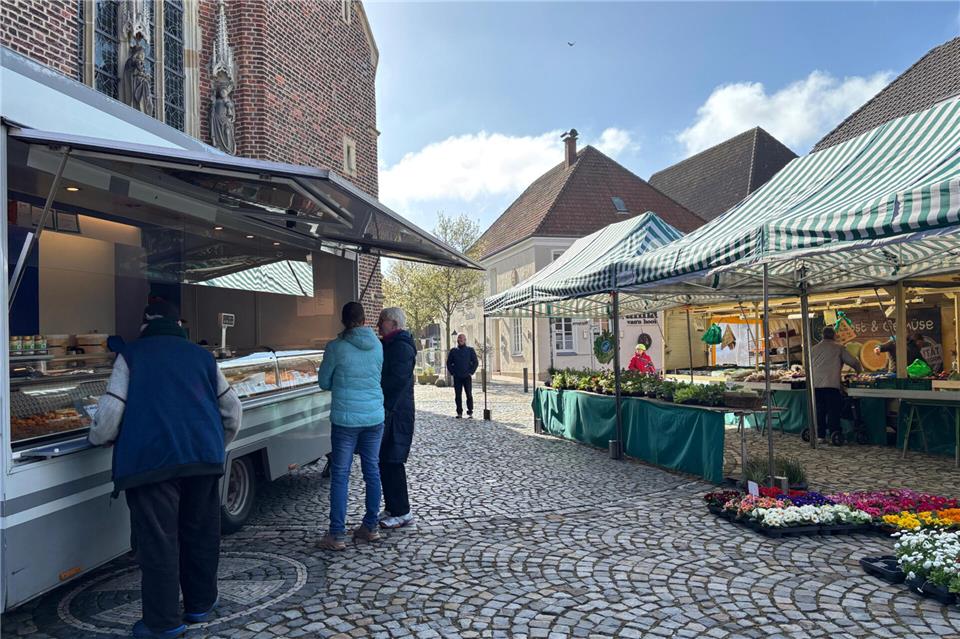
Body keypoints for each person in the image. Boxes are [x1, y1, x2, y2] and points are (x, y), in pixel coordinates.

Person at [88, 301, 242, 639]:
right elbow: (232, 409)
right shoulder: (202, 356)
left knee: (158, 542)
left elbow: (111, 412)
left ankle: (163, 622)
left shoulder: (131, 355)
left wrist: (98, 436)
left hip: (151, 463)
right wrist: (217, 444)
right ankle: (200, 603)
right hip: (202, 460)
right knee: (200, 533)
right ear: (179, 323)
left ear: (145, 324)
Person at [317, 302, 385, 550]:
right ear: (365, 319)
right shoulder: (377, 345)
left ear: (343, 320)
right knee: (372, 472)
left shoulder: (336, 347)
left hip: (345, 420)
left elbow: (324, 382)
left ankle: (336, 535)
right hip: (374, 417)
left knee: (341, 475)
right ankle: (371, 527)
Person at [376, 307, 417, 529]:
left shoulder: (400, 346)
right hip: (391, 412)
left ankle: (403, 511)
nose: (378, 325)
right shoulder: (391, 344)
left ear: (393, 323)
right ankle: (393, 507)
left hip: (396, 414)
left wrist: (382, 403)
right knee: (385, 460)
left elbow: (397, 382)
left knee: (393, 461)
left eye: (382, 321)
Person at [811, 326, 862, 444]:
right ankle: (835, 433)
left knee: (819, 410)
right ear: (834, 336)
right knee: (833, 410)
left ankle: (820, 436)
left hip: (816, 385)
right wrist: (859, 372)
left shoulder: (813, 349)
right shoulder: (838, 348)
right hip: (831, 385)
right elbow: (853, 362)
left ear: (822, 336)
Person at [446, 333, 478, 418]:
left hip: (467, 376)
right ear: (457, 340)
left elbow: (475, 362)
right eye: (459, 339)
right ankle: (459, 412)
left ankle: (470, 411)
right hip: (457, 377)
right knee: (458, 395)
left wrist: (471, 372)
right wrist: (453, 372)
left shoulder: (470, 350)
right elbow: (449, 363)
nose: (460, 340)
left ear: (465, 340)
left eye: (462, 339)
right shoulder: (453, 351)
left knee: (469, 394)